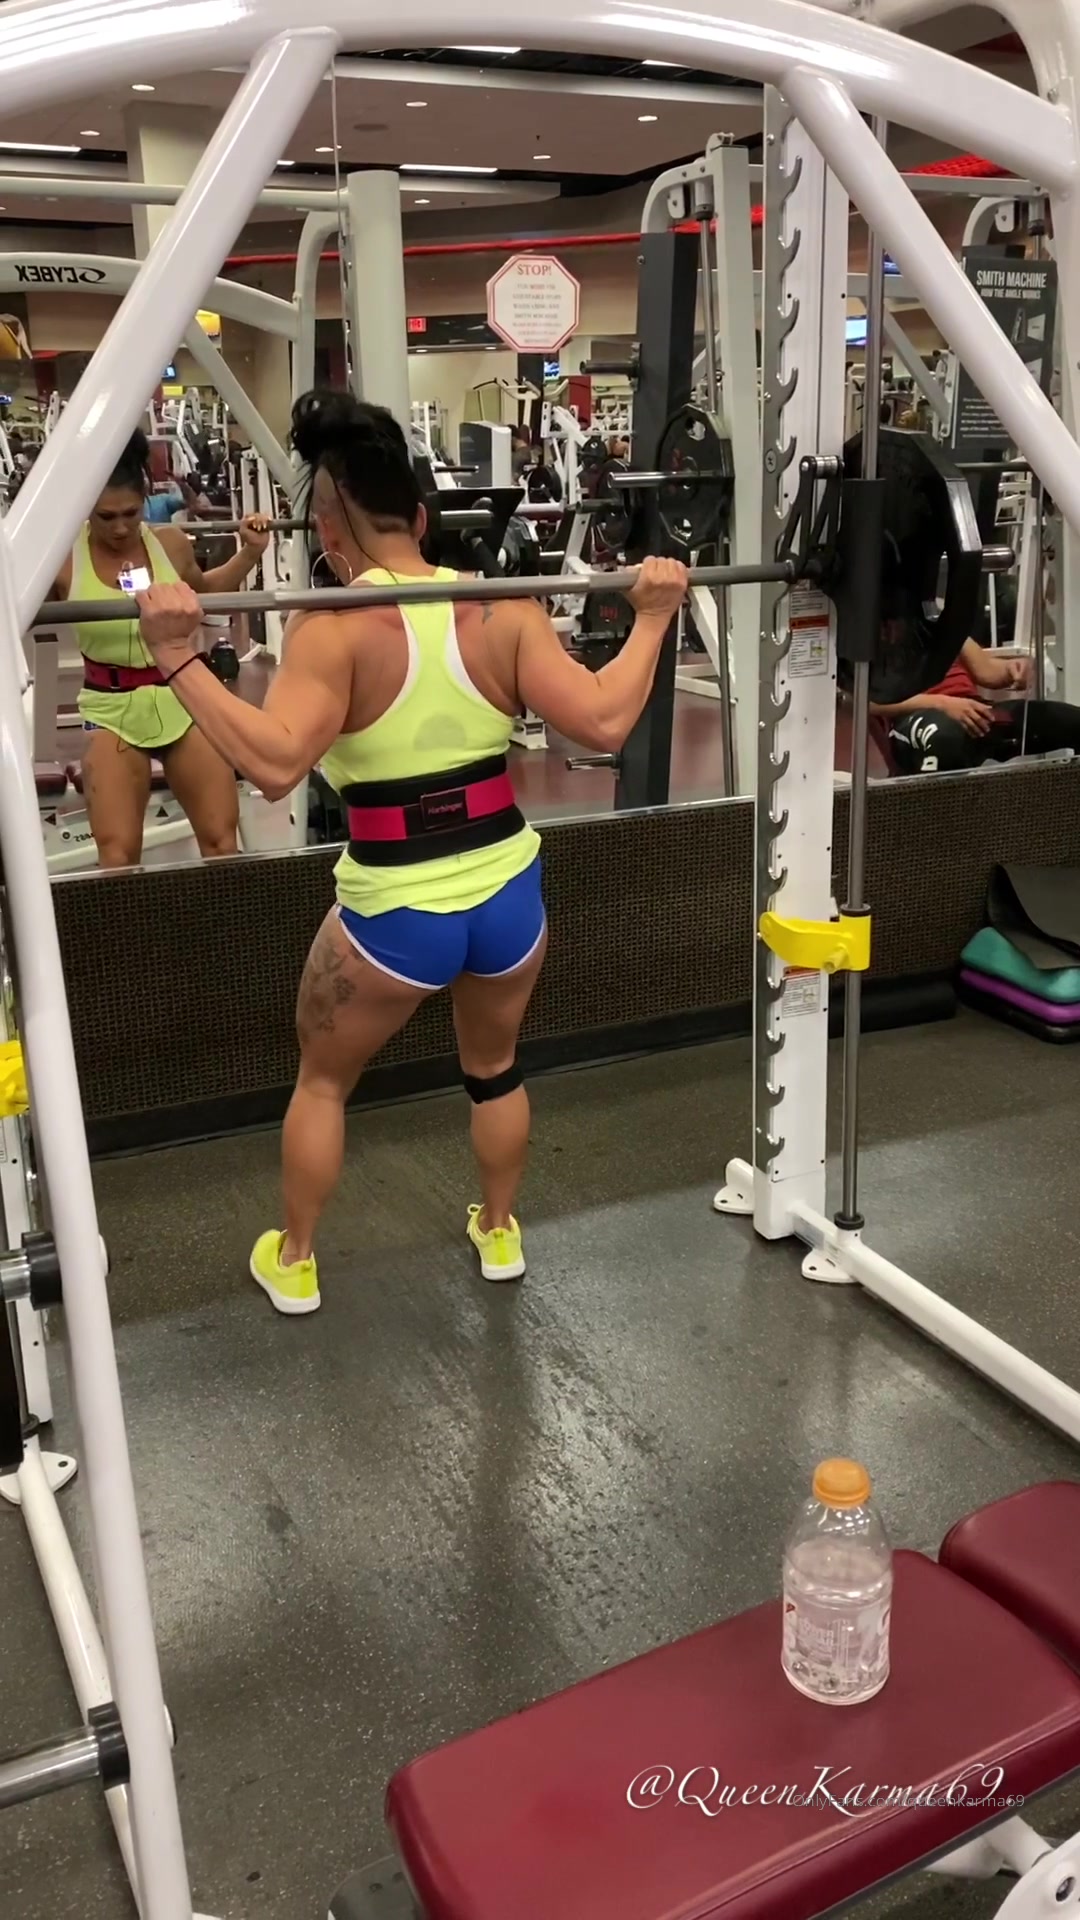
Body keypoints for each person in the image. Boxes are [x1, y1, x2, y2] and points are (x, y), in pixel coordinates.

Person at [135, 388, 689, 1314]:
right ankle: (500, 1233)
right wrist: (655, 615)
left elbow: (274, 767)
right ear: (422, 519)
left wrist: (175, 655)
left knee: (323, 1083)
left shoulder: (331, 630)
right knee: (495, 1071)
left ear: (326, 527)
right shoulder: (502, 611)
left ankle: (296, 1261)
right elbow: (602, 722)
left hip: (396, 912)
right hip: (508, 897)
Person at [50, 428, 270, 867]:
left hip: (183, 696)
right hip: (109, 709)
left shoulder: (170, 543)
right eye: (106, 516)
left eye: (130, 513)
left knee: (222, 844)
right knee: (117, 856)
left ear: (145, 499)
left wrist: (249, 554)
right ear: (86, 508)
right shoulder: (63, 559)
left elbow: (206, 592)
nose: (120, 527)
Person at [874, 637, 1080, 773]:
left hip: (973, 709)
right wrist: (943, 704)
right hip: (913, 714)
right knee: (945, 739)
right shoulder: (868, 630)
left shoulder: (940, 621)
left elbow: (987, 670)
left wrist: (1012, 669)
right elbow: (868, 703)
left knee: (1072, 722)